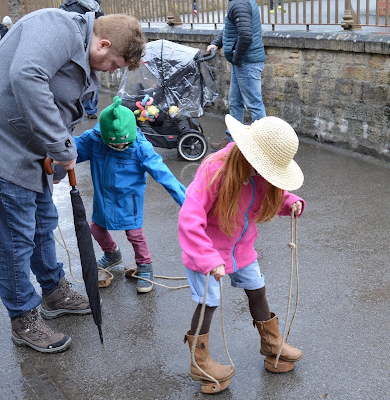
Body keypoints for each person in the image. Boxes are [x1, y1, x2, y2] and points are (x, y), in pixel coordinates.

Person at [0, 8, 146, 353]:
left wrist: (60, 158)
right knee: (15, 242)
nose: (110, 72)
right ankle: (23, 319)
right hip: (5, 152)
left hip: (32, 153)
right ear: (104, 43)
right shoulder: (57, 26)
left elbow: (60, 106)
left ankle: (53, 292)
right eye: (114, 64)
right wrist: (62, 146)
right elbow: (26, 76)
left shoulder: (84, 50)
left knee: (42, 225)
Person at [178, 115, 305, 393]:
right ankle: (199, 362)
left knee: (257, 289)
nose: (264, 174)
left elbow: (276, 193)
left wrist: (291, 202)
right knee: (208, 302)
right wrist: (208, 259)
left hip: (241, 247)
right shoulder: (215, 169)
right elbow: (189, 216)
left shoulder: (260, 173)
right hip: (207, 250)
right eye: (264, 168)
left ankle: (271, 344)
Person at [74, 96, 186, 292]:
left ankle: (145, 265)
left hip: (129, 201)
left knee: (134, 234)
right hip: (103, 198)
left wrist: (187, 203)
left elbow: (165, 176)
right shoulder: (94, 140)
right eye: (114, 144)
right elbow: (71, 149)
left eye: (123, 144)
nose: (119, 147)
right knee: (96, 229)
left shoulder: (141, 148)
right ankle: (112, 254)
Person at [207, 0, 266, 151]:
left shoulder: (238, 3)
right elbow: (231, 29)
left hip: (246, 63)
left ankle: (264, 147)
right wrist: (216, 43)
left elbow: (246, 35)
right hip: (243, 62)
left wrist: (236, 59)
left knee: (254, 105)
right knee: (235, 102)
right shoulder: (239, 2)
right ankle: (232, 142)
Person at [59, 0, 105, 119]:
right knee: (90, 81)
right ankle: (91, 110)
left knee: (72, 82)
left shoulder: (67, 6)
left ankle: (73, 111)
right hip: (91, 50)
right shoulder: (97, 9)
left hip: (72, 51)